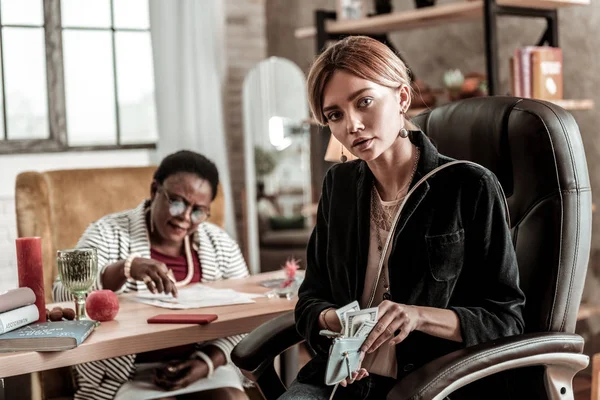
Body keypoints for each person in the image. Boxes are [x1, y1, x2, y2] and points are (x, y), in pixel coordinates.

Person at [280, 36, 525, 399]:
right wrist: (336, 322)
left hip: (432, 383)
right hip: (341, 381)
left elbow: (506, 320)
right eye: (335, 115)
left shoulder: (468, 185)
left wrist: (417, 316)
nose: (352, 125)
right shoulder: (340, 186)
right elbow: (311, 300)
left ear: (402, 98)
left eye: (364, 102)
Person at [53, 150, 249, 400]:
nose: (185, 218)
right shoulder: (107, 232)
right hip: (124, 374)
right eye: (176, 202)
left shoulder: (218, 242)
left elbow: (246, 313)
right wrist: (126, 268)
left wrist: (207, 361)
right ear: (154, 190)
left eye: (198, 211)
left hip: (202, 365)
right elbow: (63, 293)